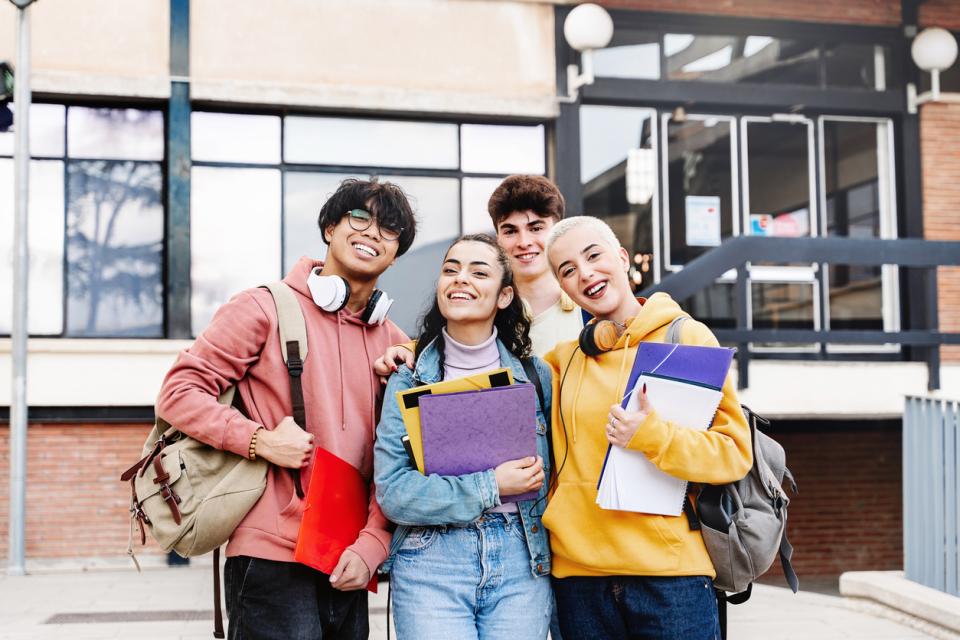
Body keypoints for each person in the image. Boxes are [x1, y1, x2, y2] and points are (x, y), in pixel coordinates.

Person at [156, 178, 417, 640]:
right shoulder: (262, 306)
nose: (373, 232)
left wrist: (375, 543)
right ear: (329, 228)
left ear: (396, 254)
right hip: (271, 554)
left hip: (350, 557)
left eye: (390, 229)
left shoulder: (395, 343)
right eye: (360, 217)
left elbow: (398, 458)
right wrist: (258, 440)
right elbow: (180, 392)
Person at [542, 216, 752, 640]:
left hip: (669, 579)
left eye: (593, 255)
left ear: (622, 258)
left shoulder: (685, 336)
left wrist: (649, 436)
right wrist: (405, 349)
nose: (584, 273)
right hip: (580, 580)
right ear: (563, 290)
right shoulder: (562, 361)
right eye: (567, 270)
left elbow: (733, 453)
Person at [374, 234, 554, 640]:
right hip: (430, 559)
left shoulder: (536, 377)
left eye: (478, 272)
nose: (460, 279)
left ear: (504, 296)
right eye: (450, 270)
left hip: (521, 561)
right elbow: (393, 491)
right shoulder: (406, 378)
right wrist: (491, 486)